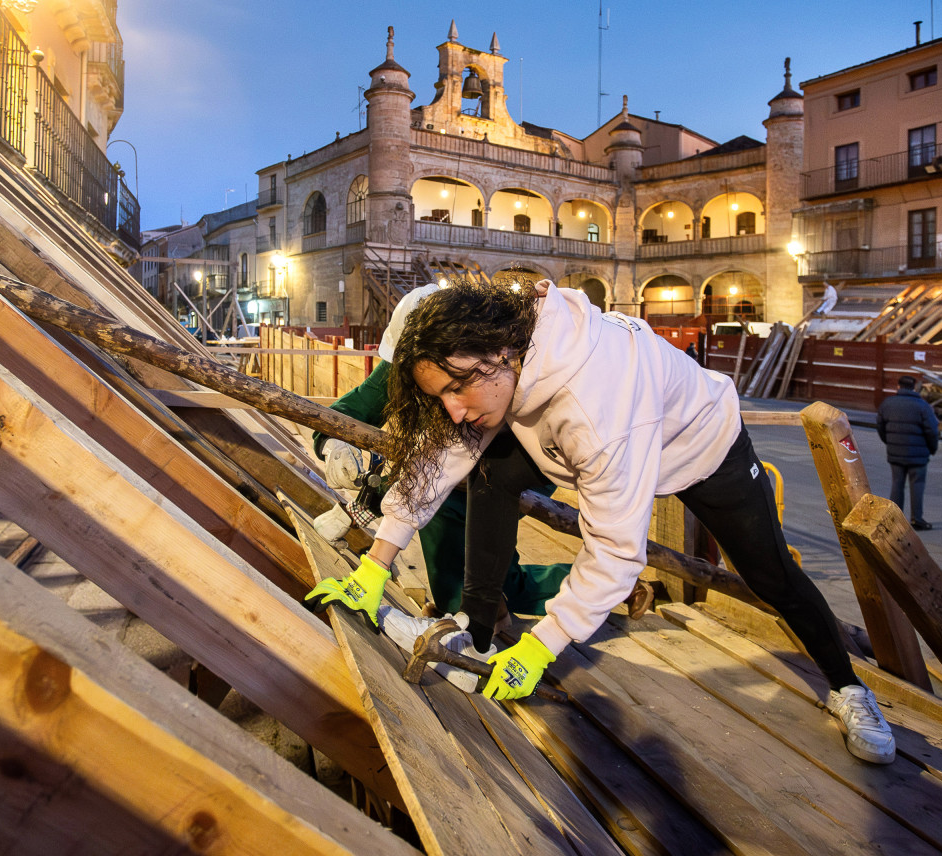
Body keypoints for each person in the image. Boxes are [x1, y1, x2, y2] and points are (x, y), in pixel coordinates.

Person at [307, 280, 896, 765]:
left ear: (501, 356)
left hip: (700, 446)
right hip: (592, 428)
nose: (455, 407)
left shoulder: (595, 407)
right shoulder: (503, 355)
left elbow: (615, 550)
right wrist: (376, 562)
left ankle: (850, 688)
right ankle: (475, 631)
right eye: (443, 396)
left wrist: (545, 645)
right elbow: (442, 457)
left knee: (771, 576)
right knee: (489, 474)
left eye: (457, 389)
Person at [312, 285, 571, 621]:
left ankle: (465, 614)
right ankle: (491, 605)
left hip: (529, 460)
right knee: (499, 576)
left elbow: (440, 468)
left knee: (455, 518)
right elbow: (355, 413)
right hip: (456, 467)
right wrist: (334, 445)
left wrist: (362, 508)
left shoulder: (505, 378)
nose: (450, 405)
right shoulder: (406, 374)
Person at [876, 375, 939, 531]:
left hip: (896, 452)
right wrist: (932, 449)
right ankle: (917, 519)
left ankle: (894, 520)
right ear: (914, 388)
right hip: (919, 455)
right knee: (917, 484)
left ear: (898, 386)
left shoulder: (887, 404)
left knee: (897, 484)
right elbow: (932, 431)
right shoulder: (923, 406)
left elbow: (880, 427)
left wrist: (890, 443)